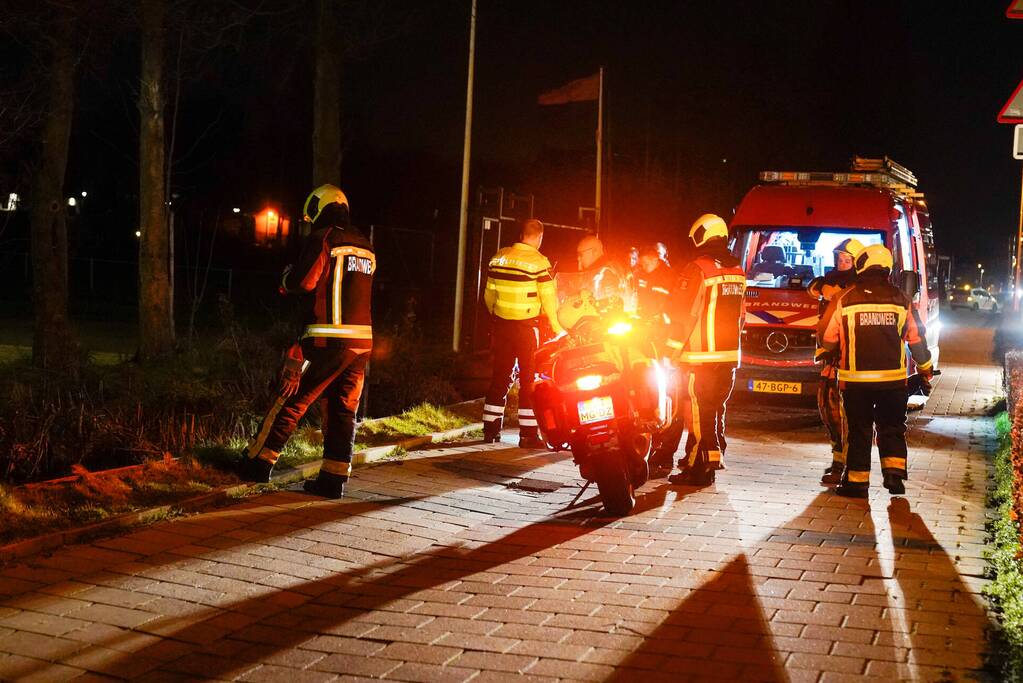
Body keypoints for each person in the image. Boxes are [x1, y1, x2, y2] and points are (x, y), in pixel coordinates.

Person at [240, 184, 374, 498]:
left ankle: (258, 462)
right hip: (362, 343)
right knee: (343, 411)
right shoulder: (365, 244)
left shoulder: (324, 238)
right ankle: (333, 479)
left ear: (320, 207)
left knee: (291, 398)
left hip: (328, 338)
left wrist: (287, 278)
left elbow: (305, 281)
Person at [818, 244, 933, 498]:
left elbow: (827, 339)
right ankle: (894, 475)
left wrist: (830, 350)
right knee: (892, 426)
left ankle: (857, 483)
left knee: (859, 429)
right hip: (892, 382)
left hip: (855, 382)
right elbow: (916, 339)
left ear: (861, 265)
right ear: (886, 268)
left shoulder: (846, 299)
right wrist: (925, 369)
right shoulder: (902, 300)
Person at [660, 214, 746, 486]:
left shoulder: (699, 268)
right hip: (729, 355)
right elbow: (742, 314)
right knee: (714, 409)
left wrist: (671, 350)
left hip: (700, 356)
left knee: (697, 412)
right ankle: (705, 458)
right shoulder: (737, 269)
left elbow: (684, 314)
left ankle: (701, 467)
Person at [482, 219, 563, 448]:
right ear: (539, 237)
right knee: (529, 381)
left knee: (500, 376)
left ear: (521, 235)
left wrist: (497, 314)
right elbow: (548, 298)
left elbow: (489, 294)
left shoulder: (499, 257)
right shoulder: (538, 262)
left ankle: (490, 429)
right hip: (527, 328)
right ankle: (528, 434)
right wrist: (557, 327)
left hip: (501, 325)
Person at [807, 237, 864, 484]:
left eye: (847, 259)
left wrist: (834, 293)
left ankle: (847, 465)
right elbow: (812, 287)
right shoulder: (830, 279)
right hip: (829, 354)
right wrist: (822, 288)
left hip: (848, 357)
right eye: (839, 258)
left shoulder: (859, 286)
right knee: (827, 408)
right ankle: (838, 460)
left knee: (845, 413)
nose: (842, 263)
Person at [636, 244, 675, 327]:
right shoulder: (642, 274)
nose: (643, 267)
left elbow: (667, 300)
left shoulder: (668, 276)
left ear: (655, 260)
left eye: (646, 264)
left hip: (662, 321)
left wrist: (653, 315)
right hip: (644, 318)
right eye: (641, 264)